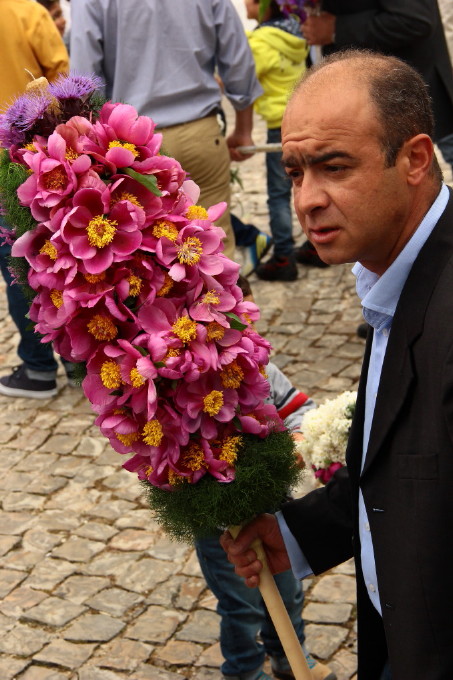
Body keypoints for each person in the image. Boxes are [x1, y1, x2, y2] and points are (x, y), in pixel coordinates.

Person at [221, 50, 453, 679]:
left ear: (414, 159)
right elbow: (404, 471)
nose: (306, 199)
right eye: (295, 172)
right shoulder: (393, 276)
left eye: (333, 167)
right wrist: (297, 536)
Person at [196, 276, 335, 680]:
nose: (245, 333)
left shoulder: (262, 369)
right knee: (242, 604)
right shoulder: (194, 384)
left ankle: (292, 658)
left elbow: (299, 410)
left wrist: (297, 439)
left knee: (289, 591)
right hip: (221, 524)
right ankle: (242, 671)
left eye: (250, 321)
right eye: (232, 323)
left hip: (275, 509)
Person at [70, 0, 263, 262]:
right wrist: (244, 127)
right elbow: (237, 57)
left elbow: (86, 78)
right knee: (214, 251)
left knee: (142, 260)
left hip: (130, 148)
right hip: (199, 133)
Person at [296, 0, 453, 270]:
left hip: (404, 98)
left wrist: (335, 29)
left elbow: (414, 19)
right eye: (294, 175)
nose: (305, 200)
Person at [0, 0, 72, 399]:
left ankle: (38, 364)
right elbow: (62, 78)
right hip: (37, 158)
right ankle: (82, 360)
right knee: (61, 256)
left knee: (14, 262)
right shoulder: (27, 11)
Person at [241, 0, 309, 281]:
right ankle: (318, 245)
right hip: (304, 117)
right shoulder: (294, 32)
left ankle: (284, 256)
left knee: (279, 193)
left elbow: (241, 79)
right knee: (310, 182)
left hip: (279, 126)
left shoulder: (261, 41)